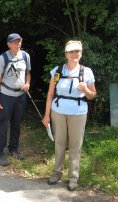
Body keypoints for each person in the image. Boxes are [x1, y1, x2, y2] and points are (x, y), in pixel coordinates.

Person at [42, 40, 97, 191]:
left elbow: (92, 95)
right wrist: (46, 116)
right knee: (59, 143)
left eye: (77, 51)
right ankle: (56, 173)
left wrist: (86, 90)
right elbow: (50, 94)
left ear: (81, 53)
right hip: (58, 112)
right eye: (71, 51)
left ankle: (73, 178)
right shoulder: (57, 71)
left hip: (78, 114)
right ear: (66, 54)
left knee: (75, 146)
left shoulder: (86, 72)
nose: (74, 54)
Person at [0, 33, 31, 166]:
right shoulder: (3, 58)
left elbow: (28, 73)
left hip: (20, 96)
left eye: (19, 41)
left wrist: (28, 83)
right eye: (14, 42)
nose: (18, 44)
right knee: (3, 124)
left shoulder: (25, 56)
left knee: (16, 123)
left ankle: (13, 149)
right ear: (9, 44)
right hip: (6, 96)